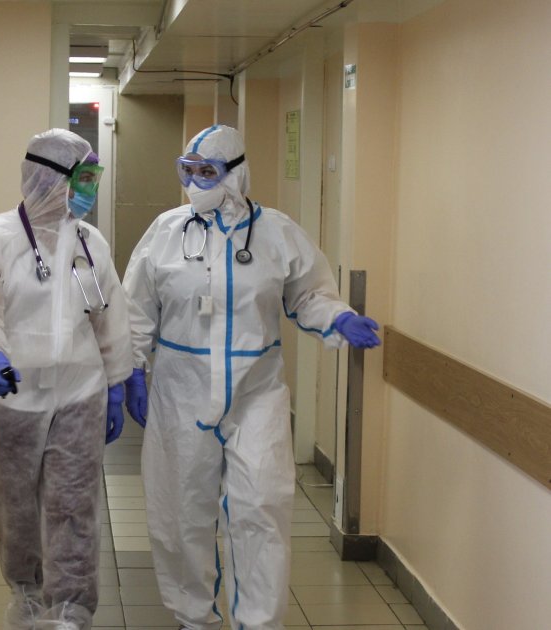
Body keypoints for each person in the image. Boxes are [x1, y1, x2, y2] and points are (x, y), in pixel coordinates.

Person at [121, 125, 380, 630]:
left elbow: (309, 293)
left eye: (207, 172)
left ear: (236, 174)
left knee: (262, 510)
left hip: (255, 395)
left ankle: (259, 624)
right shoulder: (166, 232)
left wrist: (337, 317)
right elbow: (136, 309)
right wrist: (130, 368)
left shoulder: (276, 233)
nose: (194, 182)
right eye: (187, 171)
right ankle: (194, 618)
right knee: (179, 514)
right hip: (182, 394)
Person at [0, 129, 132, 630]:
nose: (90, 189)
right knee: (17, 508)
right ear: (50, 178)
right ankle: (27, 598)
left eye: (94, 178)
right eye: (83, 178)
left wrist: (117, 382)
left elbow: (108, 316)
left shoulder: (90, 243)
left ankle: (70, 608)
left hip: (79, 393)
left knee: (74, 504)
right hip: (15, 398)